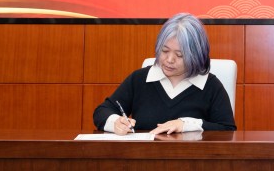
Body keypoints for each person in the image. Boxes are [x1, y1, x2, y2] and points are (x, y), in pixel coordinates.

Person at [94, 13, 236, 135]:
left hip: (192, 158)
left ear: (196, 56)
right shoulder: (139, 79)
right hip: (144, 156)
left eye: (179, 55)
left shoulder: (210, 86)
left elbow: (227, 130)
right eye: (165, 51)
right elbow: (102, 111)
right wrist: (115, 122)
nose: (169, 60)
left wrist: (186, 124)